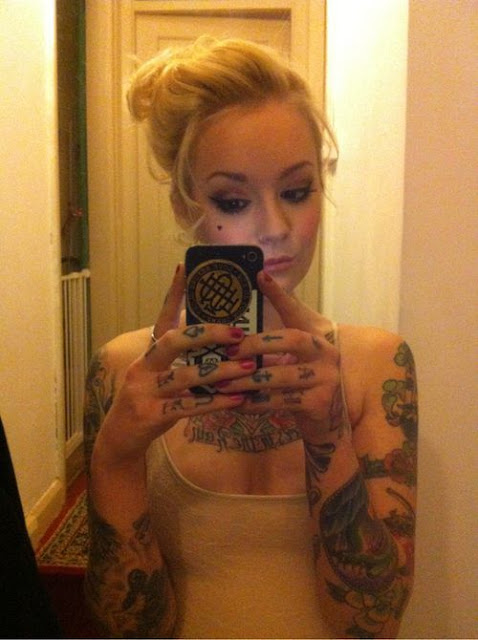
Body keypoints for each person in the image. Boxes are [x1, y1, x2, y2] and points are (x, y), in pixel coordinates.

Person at [83, 36, 418, 639]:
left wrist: (329, 439)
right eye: (234, 200)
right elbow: (132, 627)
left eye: (297, 191)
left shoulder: (376, 365)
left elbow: (371, 624)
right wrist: (116, 459)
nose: (276, 227)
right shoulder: (123, 372)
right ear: (184, 205)